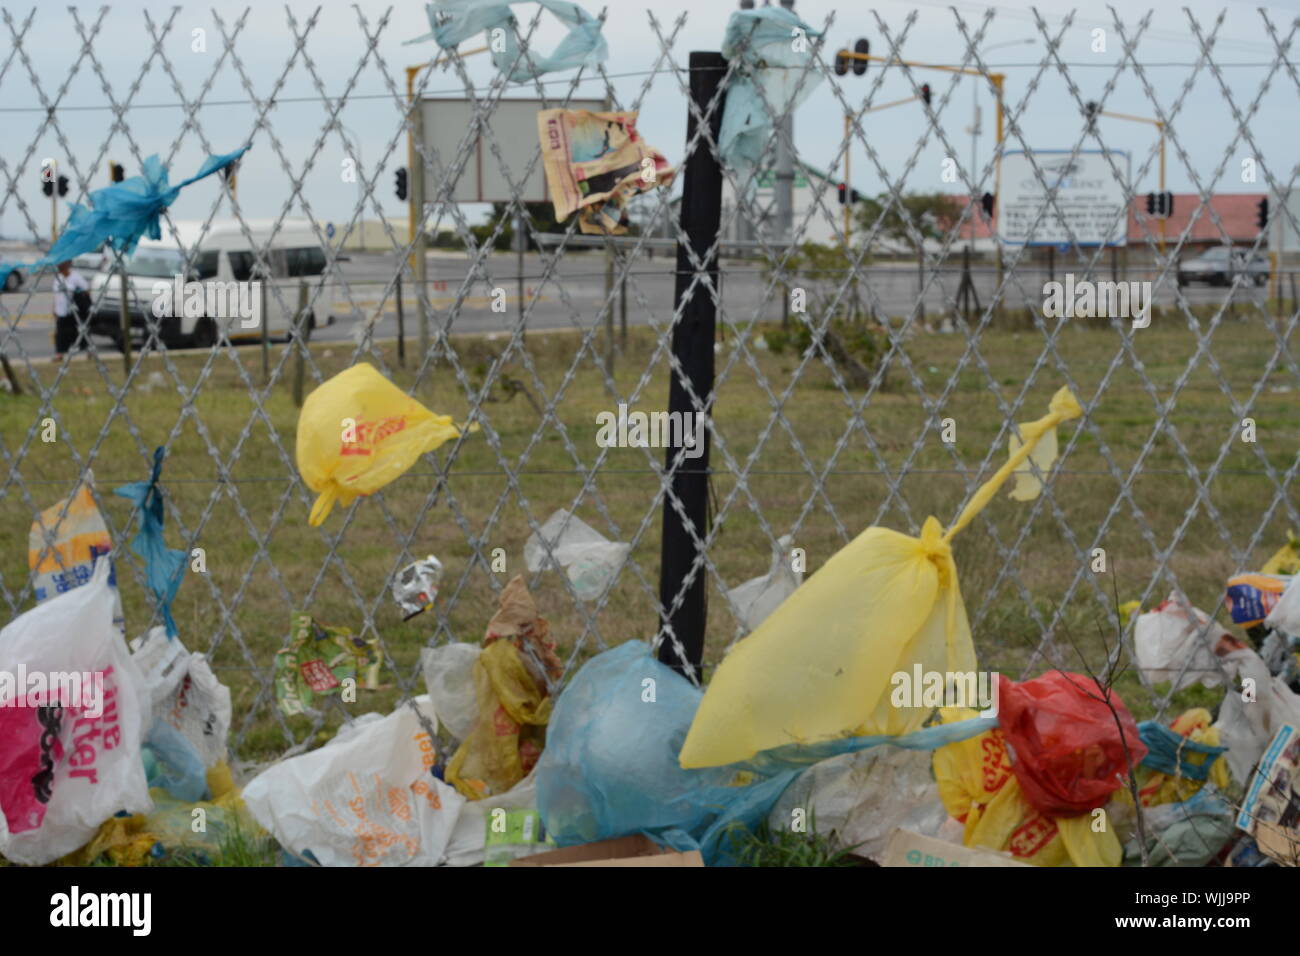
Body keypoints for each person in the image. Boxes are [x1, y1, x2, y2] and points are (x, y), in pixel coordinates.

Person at [52, 260, 90, 360]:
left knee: (80, 330)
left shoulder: (75, 277)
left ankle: (89, 350)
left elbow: (86, 290)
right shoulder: (58, 278)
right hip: (61, 310)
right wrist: (54, 309)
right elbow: (56, 295)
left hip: (74, 310)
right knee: (60, 332)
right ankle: (59, 353)